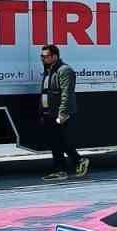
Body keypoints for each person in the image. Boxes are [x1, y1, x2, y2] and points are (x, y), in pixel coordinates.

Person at [39, 44, 89, 182]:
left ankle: (61, 169)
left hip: (59, 113)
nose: (43, 59)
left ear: (55, 56)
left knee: (58, 141)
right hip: (49, 113)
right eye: (42, 56)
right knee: (57, 141)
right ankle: (77, 161)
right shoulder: (49, 71)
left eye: (46, 56)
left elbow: (67, 93)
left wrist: (63, 113)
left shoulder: (65, 70)